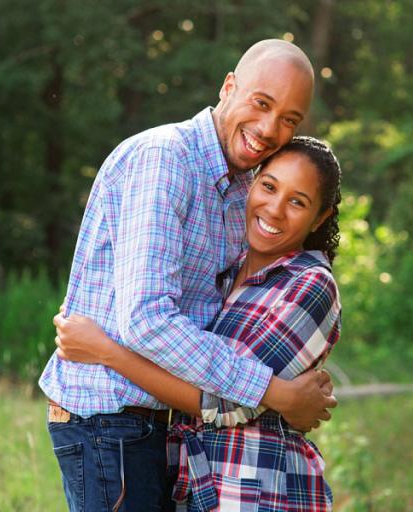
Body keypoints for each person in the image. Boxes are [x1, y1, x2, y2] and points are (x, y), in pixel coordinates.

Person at [38, 39, 337, 512]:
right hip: (110, 422)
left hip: (161, 426)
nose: (268, 129)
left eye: (288, 120)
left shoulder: (242, 186)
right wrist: (275, 392)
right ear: (228, 87)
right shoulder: (167, 160)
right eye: (262, 104)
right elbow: (147, 321)